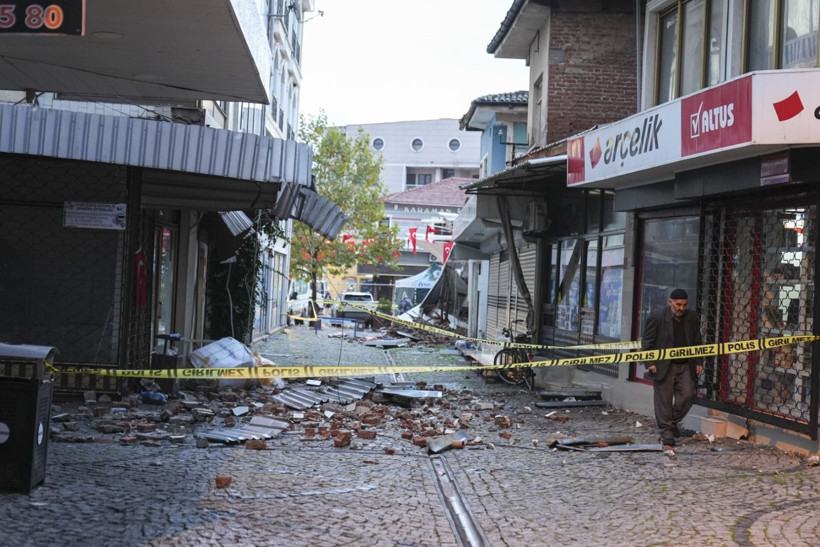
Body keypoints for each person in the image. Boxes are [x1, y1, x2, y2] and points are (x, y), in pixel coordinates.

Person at [642, 288, 704, 446]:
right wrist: (650, 363)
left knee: (689, 394)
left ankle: (670, 423)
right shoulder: (657, 317)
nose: (681, 308)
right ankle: (666, 431)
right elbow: (647, 342)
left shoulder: (691, 317)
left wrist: (698, 361)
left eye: (684, 305)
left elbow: (697, 340)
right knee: (664, 400)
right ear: (670, 302)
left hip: (685, 365)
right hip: (664, 365)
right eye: (678, 305)